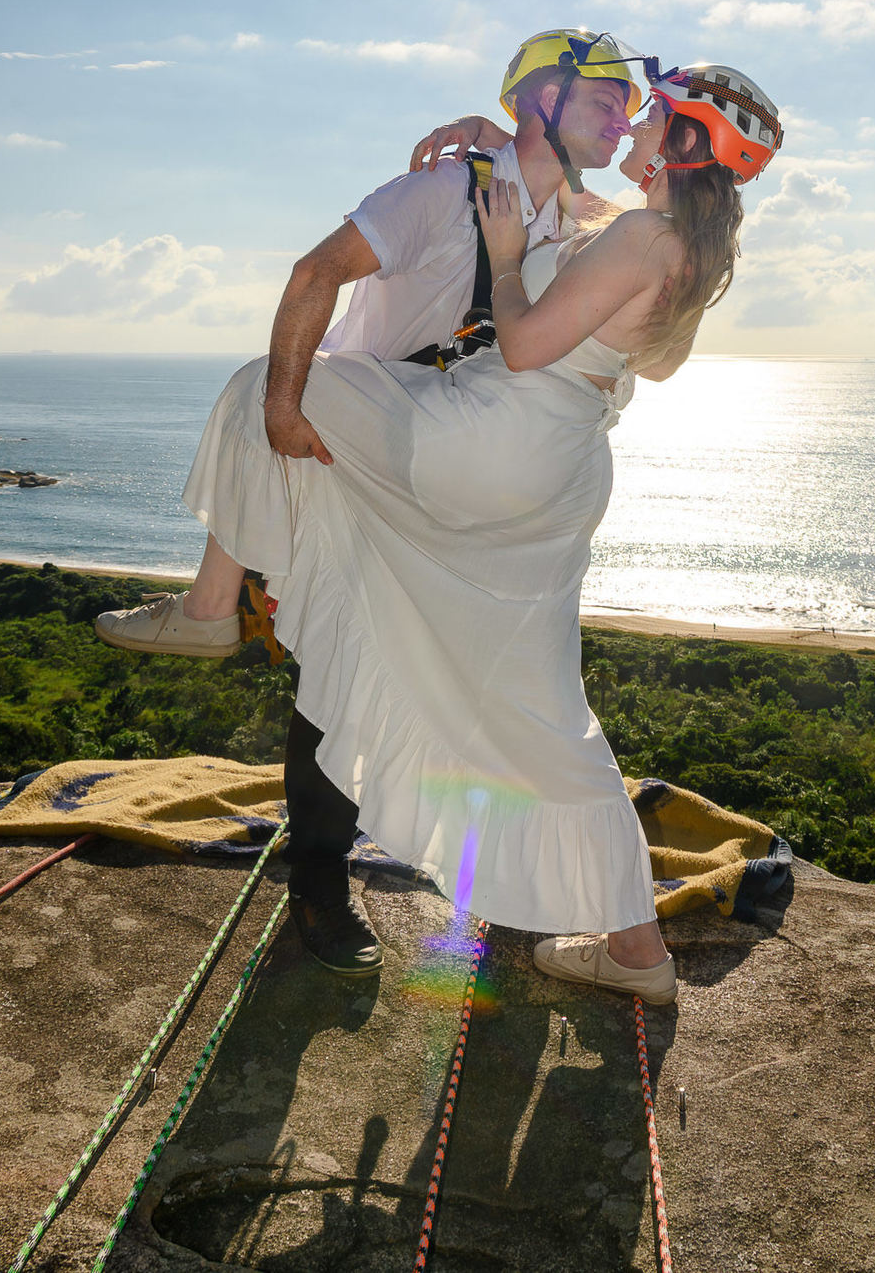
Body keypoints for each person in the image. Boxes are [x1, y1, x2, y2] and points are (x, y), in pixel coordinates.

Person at [100, 57, 783, 1005]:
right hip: (560, 475)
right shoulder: (682, 246)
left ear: (679, 141)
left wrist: (507, 261)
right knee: (545, 710)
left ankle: (213, 605)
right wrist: (502, 142)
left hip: (482, 441)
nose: (630, 123)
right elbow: (639, 350)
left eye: (650, 113)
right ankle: (634, 949)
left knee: (274, 386)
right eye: (612, 102)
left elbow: (526, 340)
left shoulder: (634, 231)